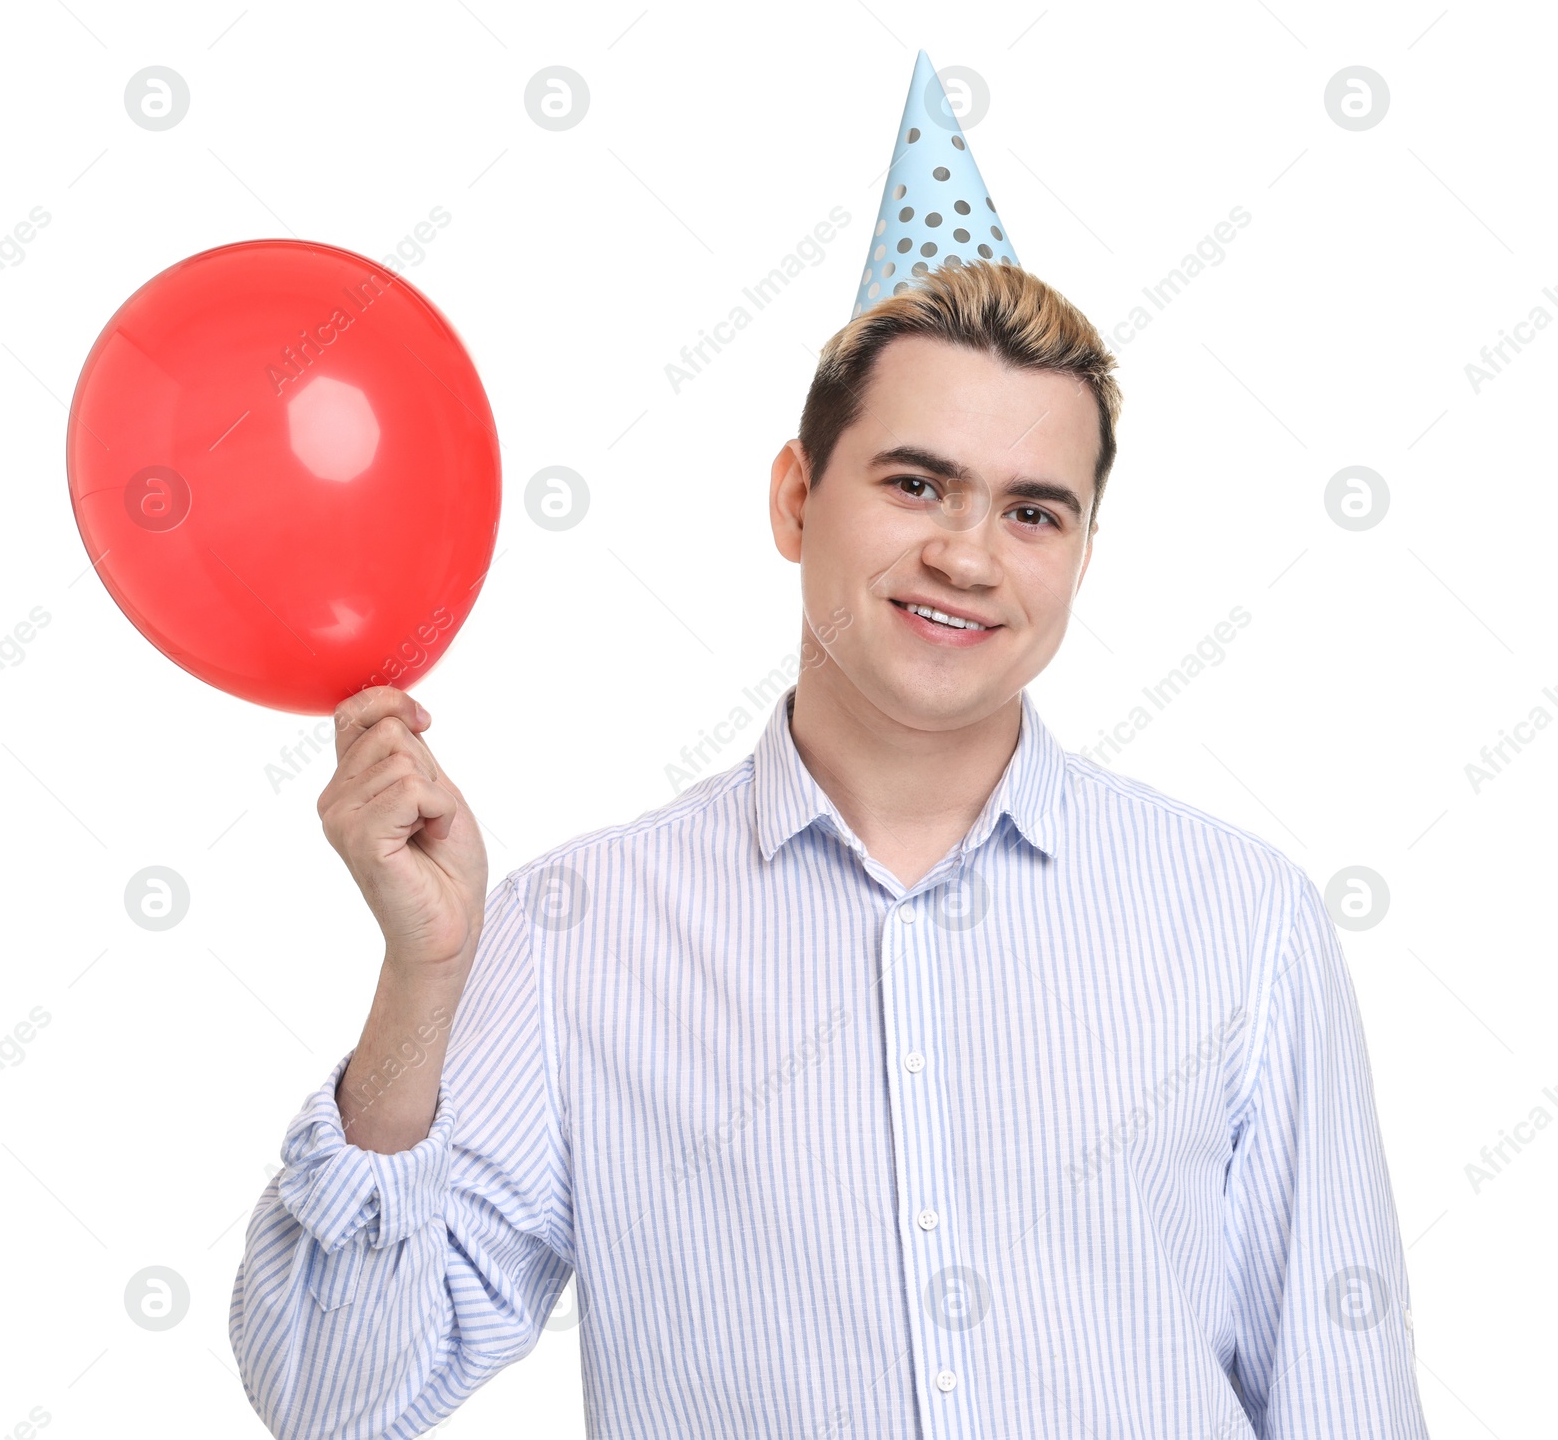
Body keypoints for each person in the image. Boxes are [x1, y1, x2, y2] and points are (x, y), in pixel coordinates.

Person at [229, 256, 1429, 1438]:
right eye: (916, 484)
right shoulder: (575, 932)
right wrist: (421, 978)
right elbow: (332, 1396)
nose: (967, 555)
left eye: (1031, 512)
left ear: (1080, 555)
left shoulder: (1240, 917)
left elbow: (1342, 1390)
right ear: (795, 499)